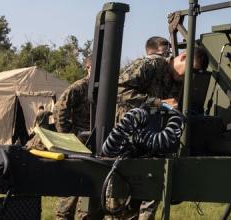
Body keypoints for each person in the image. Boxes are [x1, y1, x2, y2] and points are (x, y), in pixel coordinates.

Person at [114, 40, 208, 220]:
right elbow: (118, 91)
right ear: (183, 57)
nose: (192, 76)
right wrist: (158, 103)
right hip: (127, 141)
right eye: (192, 70)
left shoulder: (180, 82)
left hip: (152, 144)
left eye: (196, 73)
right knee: (121, 207)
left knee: (150, 198)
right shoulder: (152, 65)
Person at [54, 58, 93, 220]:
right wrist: (67, 135)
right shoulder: (79, 87)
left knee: (89, 185)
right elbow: (59, 109)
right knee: (71, 185)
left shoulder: (106, 88)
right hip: (77, 142)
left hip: (95, 142)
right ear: (88, 68)